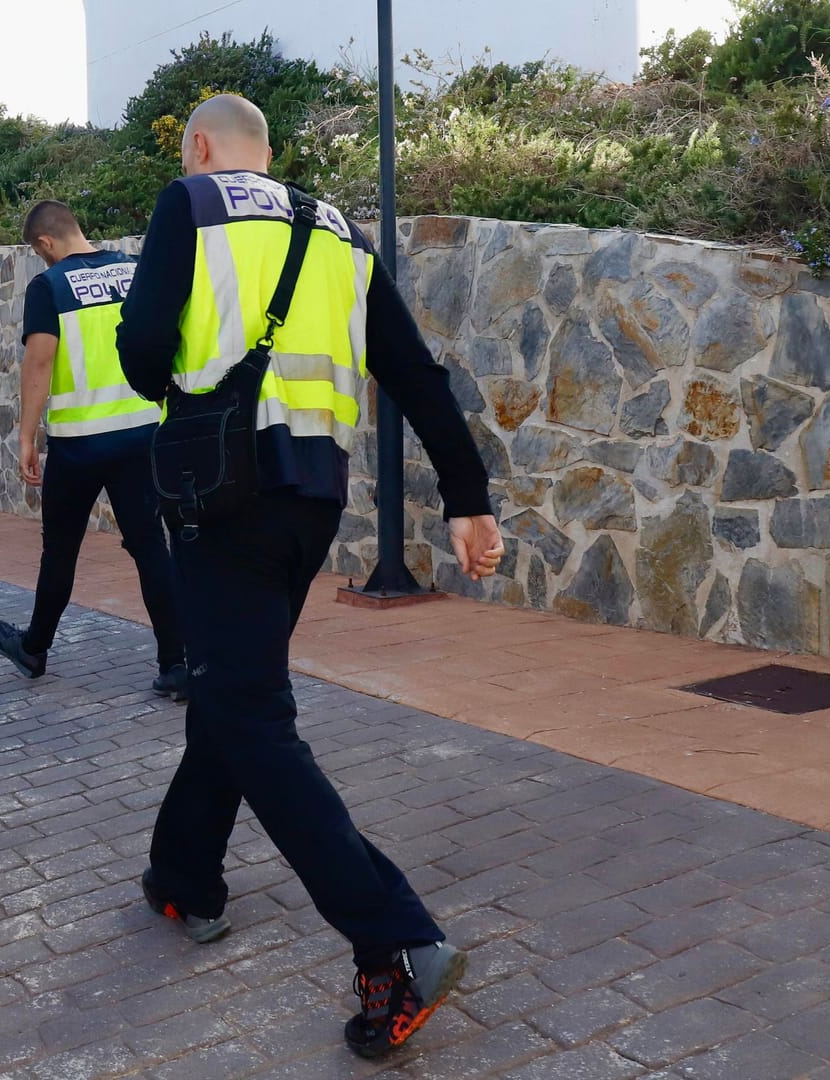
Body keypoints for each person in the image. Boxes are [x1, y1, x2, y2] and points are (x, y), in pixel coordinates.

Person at [116, 94, 506, 1061]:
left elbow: (137, 356)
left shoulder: (190, 203)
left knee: (248, 713)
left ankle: (397, 940)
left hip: (222, 493)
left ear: (200, 146)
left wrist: (189, 379)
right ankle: (183, 873)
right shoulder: (340, 228)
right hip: (311, 498)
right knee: (232, 688)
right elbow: (414, 373)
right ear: (272, 154)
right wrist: (468, 497)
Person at [0, 201, 186, 699]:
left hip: (79, 444)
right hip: (142, 432)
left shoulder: (49, 286)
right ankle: (176, 664)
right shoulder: (134, 269)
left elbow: (40, 362)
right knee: (150, 549)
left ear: (44, 244)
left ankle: (34, 648)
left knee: (61, 548)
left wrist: (27, 436)